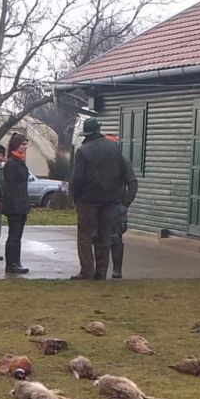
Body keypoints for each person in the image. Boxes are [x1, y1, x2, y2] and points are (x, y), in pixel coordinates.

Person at [69, 117, 137, 279]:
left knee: (85, 235)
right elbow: (124, 174)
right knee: (104, 236)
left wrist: (75, 198)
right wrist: (122, 201)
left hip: (88, 200)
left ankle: (86, 271)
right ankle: (101, 272)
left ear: (87, 134)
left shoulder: (83, 151)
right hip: (110, 201)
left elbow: (77, 179)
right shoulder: (114, 148)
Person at [2, 131, 32, 274]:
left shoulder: (19, 162)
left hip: (21, 204)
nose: (26, 147)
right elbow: (10, 187)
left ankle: (16, 261)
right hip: (15, 206)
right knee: (14, 235)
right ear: (16, 146)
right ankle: (11, 263)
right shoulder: (11, 164)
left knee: (18, 235)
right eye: (23, 144)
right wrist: (15, 206)